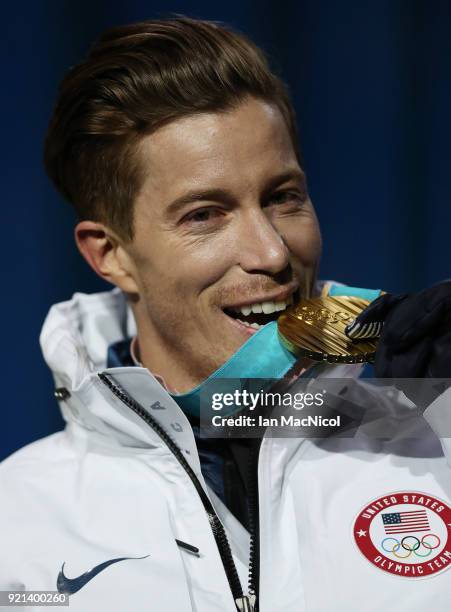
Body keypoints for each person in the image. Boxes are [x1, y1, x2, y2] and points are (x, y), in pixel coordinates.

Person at [1, 17, 450, 612]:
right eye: (204, 215)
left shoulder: (435, 439)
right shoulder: (17, 523)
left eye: (282, 197)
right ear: (112, 255)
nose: (271, 252)